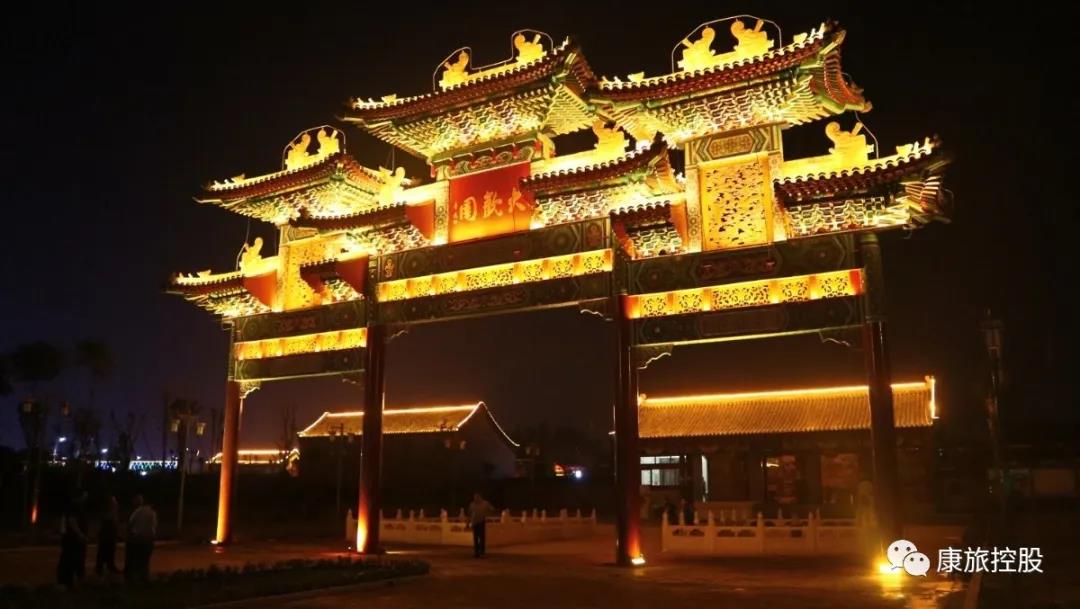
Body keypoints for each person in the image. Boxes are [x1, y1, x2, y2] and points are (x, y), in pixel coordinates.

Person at [57, 490, 89, 588]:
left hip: (72, 537)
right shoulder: (73, 506)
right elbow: (71, 520)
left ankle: (69, 580)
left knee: (71, 558)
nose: (85, 497)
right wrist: (80, 534)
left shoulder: (74, 506)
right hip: (72, 538)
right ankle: (66, 581)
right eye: (84, 495)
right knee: (71, 558)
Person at [125, 494, 157, 582]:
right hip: (148, 540)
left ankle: (131, 578)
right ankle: (144, 577)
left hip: (137, 540)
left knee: (133, 560)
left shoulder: (137, 512)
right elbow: (153, 527)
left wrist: (129, 535)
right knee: (145, 561)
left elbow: (130, 525)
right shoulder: (152, 513)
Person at [95, 495, 120, 576]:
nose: (116, 503)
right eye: (114, 501)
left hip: (111, 535)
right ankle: (99, 568)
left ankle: (110, 566)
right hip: (105, 535)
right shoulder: (106, 512)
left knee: (111, 552)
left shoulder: (113, 512)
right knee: (102, 552)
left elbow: (115, 522)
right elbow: (106, 519)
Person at [467, 492, 495, 558]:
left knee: (481, 538)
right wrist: (468, 523)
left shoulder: (485, 503)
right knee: (475, 538)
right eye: (474, 497)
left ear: (480, 497)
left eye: (477, 497)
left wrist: (487, 514)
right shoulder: (472, 504)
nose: (475, 498)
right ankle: (476, 553)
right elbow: (469, 514)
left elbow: (492, 509)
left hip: (481, 522)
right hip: (474, 523)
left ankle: (482, 552)